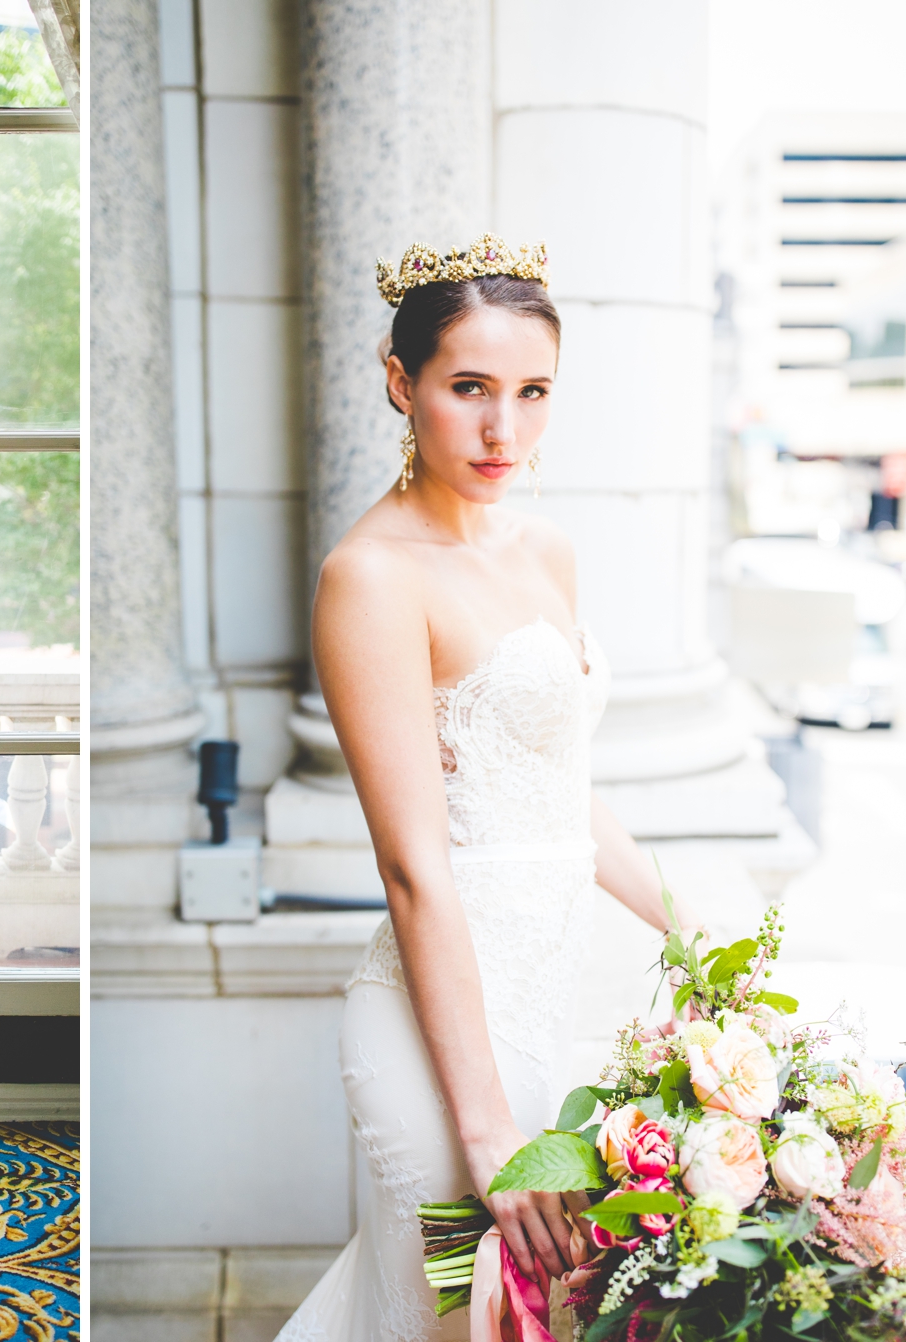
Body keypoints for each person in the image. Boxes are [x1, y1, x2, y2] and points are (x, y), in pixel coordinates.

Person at [275, 237, 700, 1342]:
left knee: (546, 1316)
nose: (503, 429)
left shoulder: (546, 549)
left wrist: (693, 929)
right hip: (438, 1036)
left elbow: (554, 794)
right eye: (469, 388)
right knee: (458, 1320)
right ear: (399, 380)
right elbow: (415, 869)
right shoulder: (369, 577)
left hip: (550, 996)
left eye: (532, 392)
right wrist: (491, 1132)